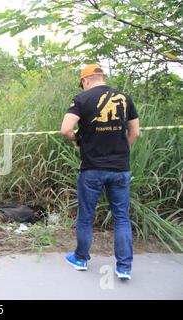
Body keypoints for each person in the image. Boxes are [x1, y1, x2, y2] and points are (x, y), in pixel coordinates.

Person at [60, 64, 140, 280]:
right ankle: (124, 267)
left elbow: (66, 129)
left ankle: (81, 259)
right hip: (120, 168)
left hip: (92, 168)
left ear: (86, 81)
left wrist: (78, 139)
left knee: (86, 215)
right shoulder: (124, 98)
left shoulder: (81, 99)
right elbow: (135, 132)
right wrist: (122, 151)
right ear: (101, 77)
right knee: (122, 217)